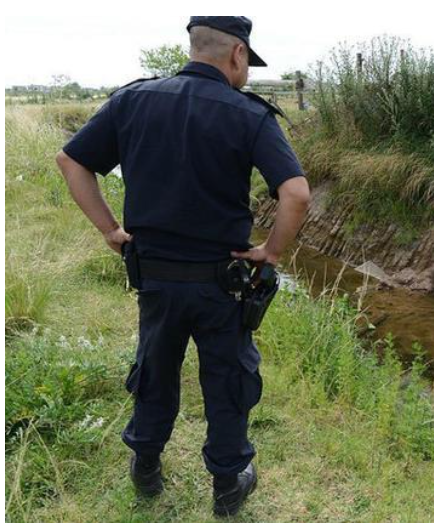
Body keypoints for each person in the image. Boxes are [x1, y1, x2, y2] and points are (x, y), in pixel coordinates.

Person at [55, 16, 310, 517]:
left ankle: (146, 469)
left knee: (154, 367)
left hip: (155, 277)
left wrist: (111, 230)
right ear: (237, 54)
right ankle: (228, 486)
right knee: (228, 377)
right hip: (223, 283)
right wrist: (272, 253)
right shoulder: (249, 114)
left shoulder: (133, 100)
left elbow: (72, 161)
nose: (248, 76)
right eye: (248, 65)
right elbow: (296, 193)